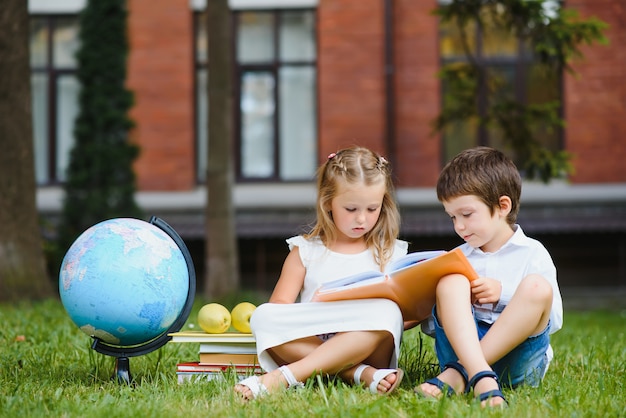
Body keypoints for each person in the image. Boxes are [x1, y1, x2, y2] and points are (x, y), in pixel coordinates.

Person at [234, 146, 407, 400]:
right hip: (314, 336)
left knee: (388, 311)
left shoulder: (391, 252)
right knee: (262, 317)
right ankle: (358, 374)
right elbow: (279, 306)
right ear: (328, 203)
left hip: (368, 342)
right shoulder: (305, 251)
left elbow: (401, 318)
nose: (362, 219)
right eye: (351, 209)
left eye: (372, 209)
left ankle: (284, 377)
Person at [415, 146, 563, 408]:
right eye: (452, 217)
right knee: (451, 280)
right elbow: (433, 327)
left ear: (502, 206)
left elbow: (554, 318)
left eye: (467, 214)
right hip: (462, 346)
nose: (458, 226)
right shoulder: (458, 256)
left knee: (538, 287)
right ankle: (480, 376)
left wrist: (504, 294)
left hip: (516, 360)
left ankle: (460, 374)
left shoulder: (533, 253)